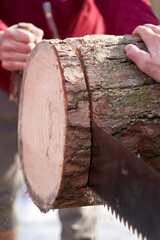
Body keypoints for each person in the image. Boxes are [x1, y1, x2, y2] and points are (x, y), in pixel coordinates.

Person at [0, 1, 159, 240]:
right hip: (9, 75)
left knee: (80, 201)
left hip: (83, 80)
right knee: (1, 194)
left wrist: (147, 32)